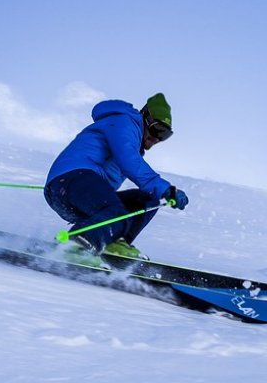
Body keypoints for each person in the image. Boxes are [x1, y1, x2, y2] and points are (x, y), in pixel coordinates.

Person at [44, 92, 188, 261]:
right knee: (116, 213)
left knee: (145, 201)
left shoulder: (134, 141)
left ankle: (114, 244)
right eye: (157, 129)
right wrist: (166, 189)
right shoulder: (124, 123)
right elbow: (129, 161)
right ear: (145, 118)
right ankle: (78, 244)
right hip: (70, 181)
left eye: (164, 135)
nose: (157, 138)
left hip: (82, 192)